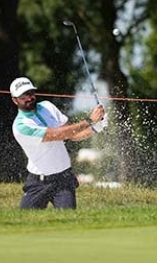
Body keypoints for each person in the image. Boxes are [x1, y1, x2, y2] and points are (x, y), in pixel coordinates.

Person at [10, 76, 107, 209]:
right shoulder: (20, 126)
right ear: (14, 100)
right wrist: (89, 121)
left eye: (31, 93)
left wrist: (96, 127)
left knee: (68, 223)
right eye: (23, 96)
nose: (29, 98)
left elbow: (71, 135)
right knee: (24, 222)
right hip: (38, 182)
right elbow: (57, 134)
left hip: (63, 180)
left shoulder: (47, 106)